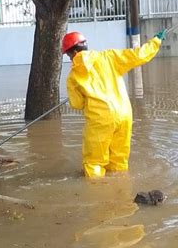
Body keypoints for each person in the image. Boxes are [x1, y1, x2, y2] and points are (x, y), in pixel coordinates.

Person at [62, 30, 167, 178]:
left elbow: (77, 104)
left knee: (94, 162)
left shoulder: (73, 75)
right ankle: (120, 186)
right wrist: (156, 41)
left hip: (100, 119)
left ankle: (97, 191)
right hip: (124, 115)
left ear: (72, 52)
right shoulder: (109, 57)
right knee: (119, 159)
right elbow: (139, 55)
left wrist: (82, 93)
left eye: (68, 55)